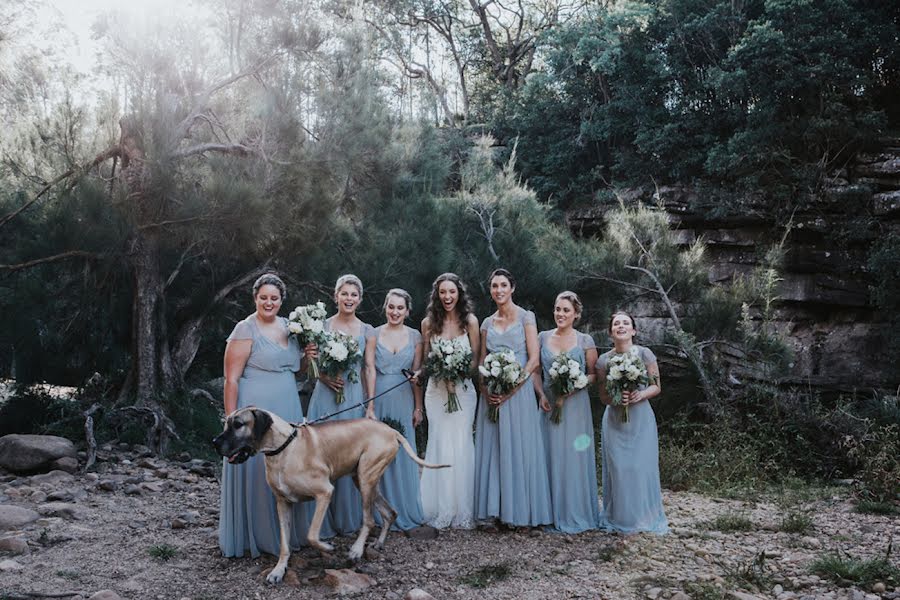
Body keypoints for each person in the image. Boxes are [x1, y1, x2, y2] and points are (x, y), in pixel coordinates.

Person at [219, 273, 309, 557]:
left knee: (290, 464)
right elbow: (231, 379)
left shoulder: (292, 327)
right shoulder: (245, 329)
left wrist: (309, 356)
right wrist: (231, 419)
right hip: (255, 408)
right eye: (263, 298)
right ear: (255, 298)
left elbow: (300, 369)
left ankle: (289, 534)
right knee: (257, 470)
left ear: (282, 300)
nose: (269, 303)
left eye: (274, 298)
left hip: (288, 402)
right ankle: (256, 535)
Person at [474, 268, 552, 530]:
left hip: (517, 392)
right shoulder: (486, 322)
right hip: (492, 392)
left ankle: (520, 511)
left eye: (503, 285)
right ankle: (494, 510)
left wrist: (512, 388)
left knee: (519, 447)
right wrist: (486, 390)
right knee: (494, 449)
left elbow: (533, 359)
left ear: (512, 288)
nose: (498, 290)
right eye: (494, 286)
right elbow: (482, 359)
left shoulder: (526, 317)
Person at [305, 274, 377, 537]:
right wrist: (323, 377)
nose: (349, 299)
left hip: (354, 395)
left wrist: (369, 406)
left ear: (360, 299)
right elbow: (307, 366)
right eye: (344, 294)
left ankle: (348, 521)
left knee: (349, 457)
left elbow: (369, 367)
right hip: (325, 395)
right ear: (335, 297)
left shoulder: (367, 330)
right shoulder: (320, 326)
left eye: (354, 295)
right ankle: (319, 524)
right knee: (319, 455)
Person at [595, 311, 668, 535]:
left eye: (626, 323)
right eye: (616, 323)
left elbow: (656, 386)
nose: (621, 326)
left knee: (639, 467)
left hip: (640, 419)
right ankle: (620, 517)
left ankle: (643, 517)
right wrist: (616, 398)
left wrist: (640, 395)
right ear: (610, 332)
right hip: (615, 419)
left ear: (634, 330)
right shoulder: (603, 360)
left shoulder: (645, 354)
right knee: (619, 468)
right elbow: (602, 396)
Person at [533, 291, 600, 533]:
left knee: (574, 455)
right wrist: (541, 394)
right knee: (548, 453)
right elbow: (535, 370)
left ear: (576, 315)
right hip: (548, 404)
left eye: (565, 311)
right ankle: (546, 512)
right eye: (557, 309)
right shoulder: (542, 337)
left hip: (575, 406)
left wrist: (571, 389)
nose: (560, 314)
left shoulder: (585, 340)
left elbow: (593, 374)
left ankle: (576, 510)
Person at [419, 273, 480, 529]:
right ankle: (441, 508)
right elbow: (425, 360)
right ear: (437, 295)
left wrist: (459, 373)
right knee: (440, 442)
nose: (447, 297)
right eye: (442, 292)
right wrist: (432, 372)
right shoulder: (428, 324)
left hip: (464, 391)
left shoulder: (470, 322)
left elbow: (476, 360)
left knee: (462, 443)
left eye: (451, 292)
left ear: (459, 293)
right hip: (436, 392)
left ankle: (464, 510)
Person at [373, 288, 426, 530]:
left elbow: (415, 374)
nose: (395, 312)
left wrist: (418, 407)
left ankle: (405, 508)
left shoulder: (415, 337)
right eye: (391, 307)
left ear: (407, 311)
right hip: (379, 396)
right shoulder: (373, 334)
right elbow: (368, 372)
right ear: (385, 307)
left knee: (403, 450)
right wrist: (369, 404)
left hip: (404, 398)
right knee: (377, 453)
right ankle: (377, 512)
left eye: (400, 308)